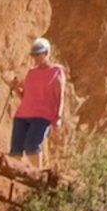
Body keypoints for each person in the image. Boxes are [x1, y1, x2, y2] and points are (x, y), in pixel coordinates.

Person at [8, 37, 69, 166]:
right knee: (16, 148)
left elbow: (60, 96)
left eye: (37, 54)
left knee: (31, 145)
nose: (35, 57)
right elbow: (26, 96)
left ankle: (37, 176)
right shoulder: (31, 72)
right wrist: (15, 89)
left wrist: (57, 117)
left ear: (46, 53)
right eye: (33, 54)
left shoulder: (56, 71)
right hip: (22, 114)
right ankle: (13, 176)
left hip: (42, 116)